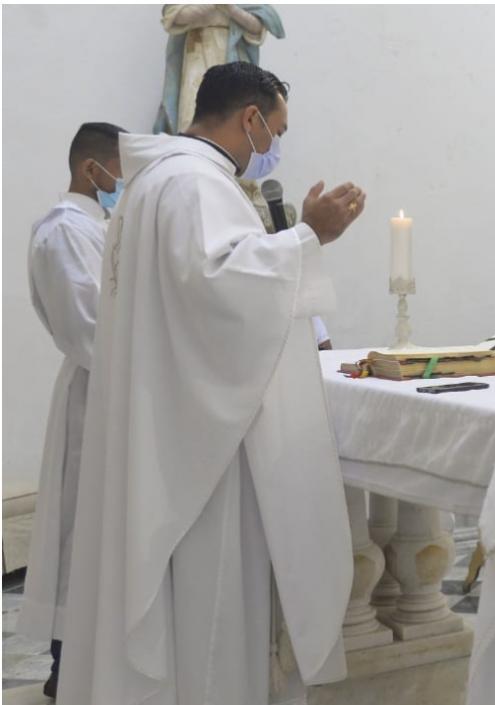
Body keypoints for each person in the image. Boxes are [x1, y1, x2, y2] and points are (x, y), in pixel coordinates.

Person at [59, 62, 365, 705]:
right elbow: (223, 288)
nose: (274, 148)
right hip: (202, 452)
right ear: (250, 118)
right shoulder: (196, 184)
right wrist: (313, 235)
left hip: (167, 423)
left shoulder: (154, 182)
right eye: (276, 130)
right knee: (210, 608)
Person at [18, 121, 127, 699]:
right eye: (121, 175)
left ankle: (98, 663)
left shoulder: (98, 227)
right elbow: (90, 328)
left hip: (118, 394)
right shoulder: (64, 234)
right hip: (96, 396)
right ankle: (69, 669)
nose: (123, 187)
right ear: (93, 170)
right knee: (80, 538)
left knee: (102, 537)